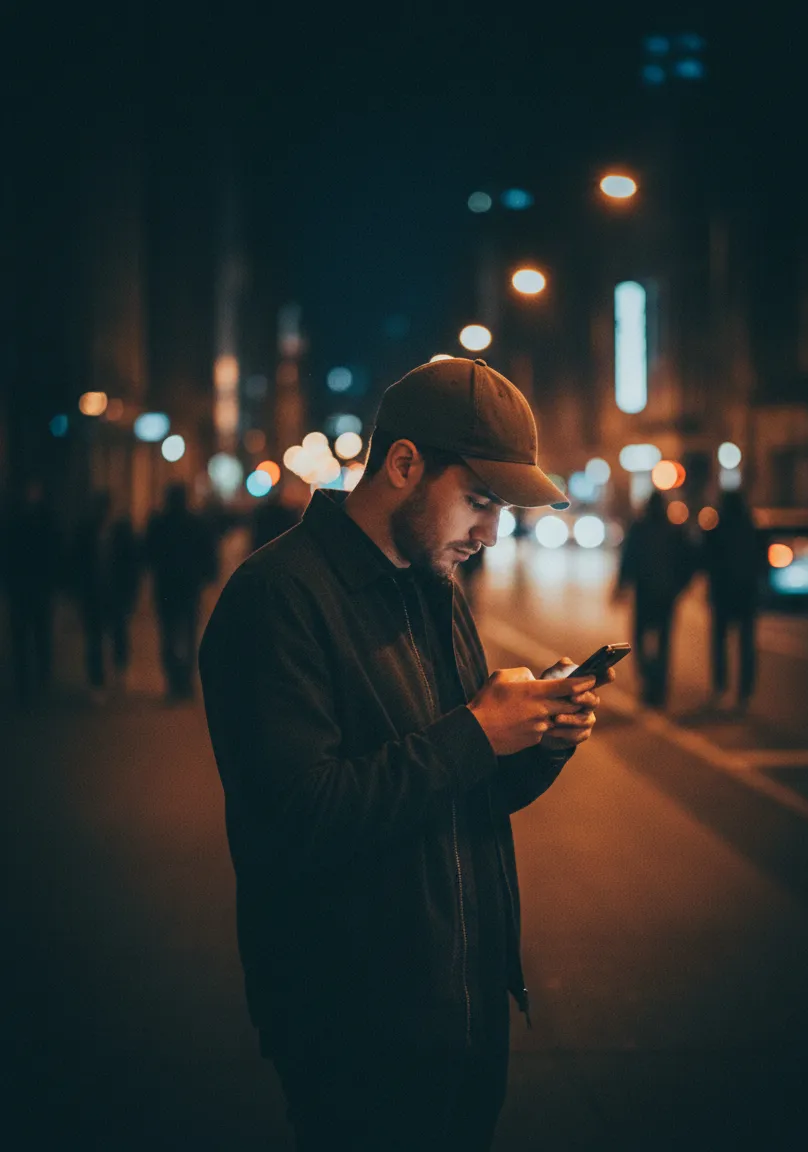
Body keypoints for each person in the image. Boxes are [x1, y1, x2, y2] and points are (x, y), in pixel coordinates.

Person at [199, 357, 613, 1150]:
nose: (491, 533)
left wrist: (535, 744)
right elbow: (298, 820)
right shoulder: (276, 599)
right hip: (356, 1036)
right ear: (403, 464)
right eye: (481, 502)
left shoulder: (434, 588)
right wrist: (475, 733)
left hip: (465, 1013)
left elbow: (457, 792)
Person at [615, 489, 694, 707]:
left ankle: (649, 679)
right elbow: (688, 561)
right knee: (664, 641)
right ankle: (659, 686)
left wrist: (621, 585)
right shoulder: (674, 530)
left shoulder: (640, 528)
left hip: (645, 593)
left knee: (640, 639)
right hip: (667, 595)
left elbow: (628, 558)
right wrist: (680, 587)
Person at [144, 482, 217, 702]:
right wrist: (206, 575)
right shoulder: (195, 522)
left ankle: (174, 681)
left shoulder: (158, 523)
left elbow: (148, 553)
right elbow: (208, 553)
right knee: (188, 633)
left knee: (168, 634)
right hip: (189, 587)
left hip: (166, 587)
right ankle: (184, 681)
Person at [70, 490, 140, 701]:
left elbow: (131, 565)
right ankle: (97, 682)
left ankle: (120, 672)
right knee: (94, 640)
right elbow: (77, 564)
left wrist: (130, 594)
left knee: (118, 635)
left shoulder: (122, 532)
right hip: (93, 594)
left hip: (115, 594)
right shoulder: (85, 532)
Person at [0, 479, 61, 705]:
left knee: (40, 634)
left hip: (38, 588)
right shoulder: (15, 522)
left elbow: (54, 552)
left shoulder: (44, 520)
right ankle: (24, 683)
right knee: (23, 638)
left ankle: (41, 677)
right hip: (22, 589)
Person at [702, 490, 761, 712]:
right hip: (746, 594)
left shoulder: (718, 529)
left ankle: (720, 685)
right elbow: (760, 560)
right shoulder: (750, 528)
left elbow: (707, 558)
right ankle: (744, 691)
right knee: (746, 644)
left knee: (720, 642)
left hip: (723, 594)